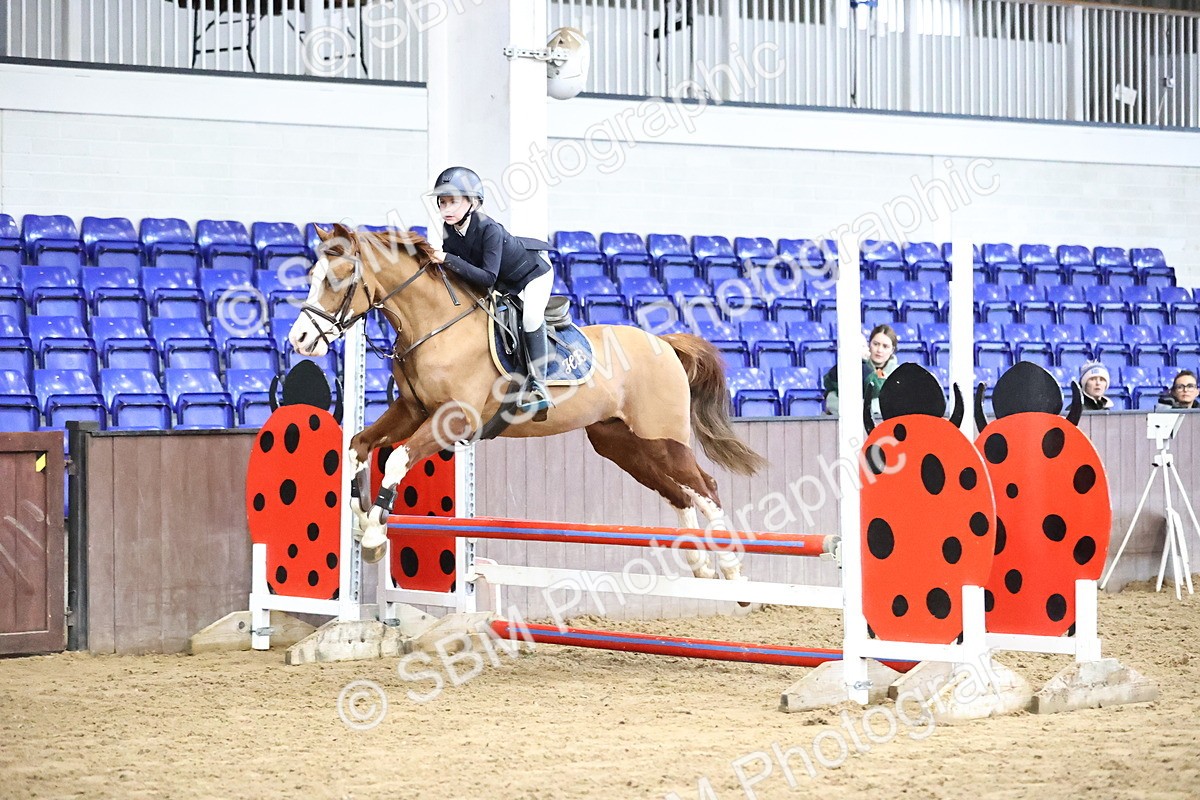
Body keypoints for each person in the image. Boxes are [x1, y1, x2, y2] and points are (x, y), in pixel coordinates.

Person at [428, 166, 555, 413]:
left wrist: (446, 259)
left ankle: (539, 384)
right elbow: (458, 274)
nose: (446, 209)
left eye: (453, 202)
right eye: (442, 203)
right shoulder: (450, 232)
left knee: (530, 317)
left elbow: (486, 277)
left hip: (532, 275)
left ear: (473, 202)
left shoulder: (489, 229)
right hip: (503, 282)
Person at [823, 323, 899, 416]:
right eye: (876, 344)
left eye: (885, 346)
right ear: (869, 345)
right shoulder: (852, 368)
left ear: (892, 350)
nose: (879, 350)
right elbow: (831, 399)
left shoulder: (900, 374)